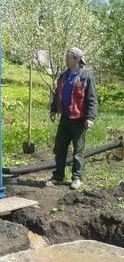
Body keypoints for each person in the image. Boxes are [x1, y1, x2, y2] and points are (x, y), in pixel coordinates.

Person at [46, 47, 98, 190]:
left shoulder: (86, 76)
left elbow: (92, 99)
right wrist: (53, 109)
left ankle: (76, 178)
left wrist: (90, 117)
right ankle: (58, 177)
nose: (66, 59)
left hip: (79, 120)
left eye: (68, 57)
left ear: (76, 60)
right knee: (60, 148)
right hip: (65, 118)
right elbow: (58, 94)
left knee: (78, 151)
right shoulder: (64, 76)